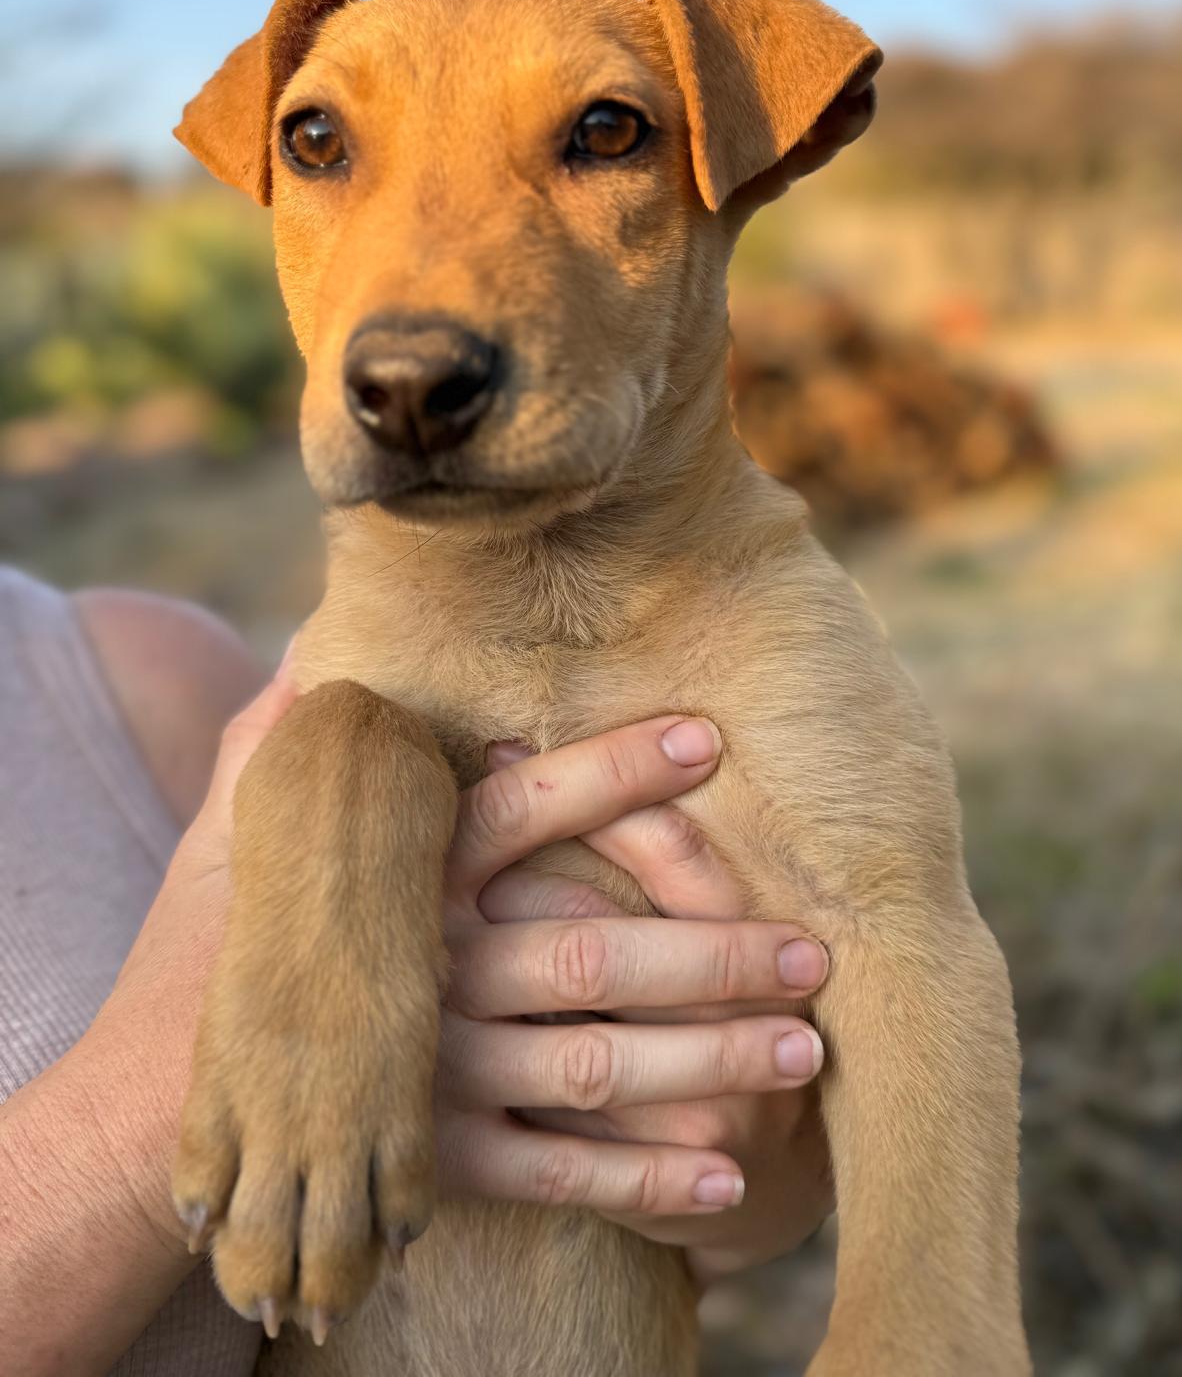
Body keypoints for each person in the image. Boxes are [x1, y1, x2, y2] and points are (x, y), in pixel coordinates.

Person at [0, 567, 832, 1376]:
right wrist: (156, 1118)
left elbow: (731, 1214)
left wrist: (735, 1180)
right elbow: (310, 1046)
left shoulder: (143, 667)